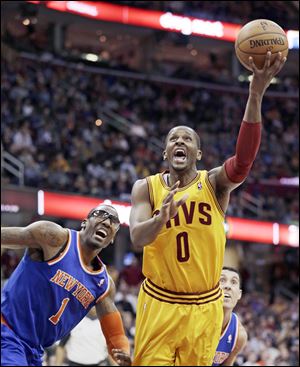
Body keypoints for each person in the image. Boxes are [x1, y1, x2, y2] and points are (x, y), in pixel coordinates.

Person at [129, 51, 286, 366]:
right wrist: (161, 218)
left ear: (197, 153)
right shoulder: (145, 188)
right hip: (159, 302)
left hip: (204, 306)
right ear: (165, 152)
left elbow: (243, 163)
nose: (180, 141)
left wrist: (255, 94)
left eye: (187, 138)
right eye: (174, 138)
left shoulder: (213, 183)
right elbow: (136, 238)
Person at [1, 204, 131, 367]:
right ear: (84, 222)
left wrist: (123, 352)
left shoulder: (104, 285)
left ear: (112, 238)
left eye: (113, 221)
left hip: (34, 350)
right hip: (7, 330)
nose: (106, 222)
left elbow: (116, 337)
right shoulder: (54, 238)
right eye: (101, 214)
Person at [213, 267, 248, 366]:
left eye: (233, 282)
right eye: (222, 280)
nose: (228, 286)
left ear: (239, 294)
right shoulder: (194, 320)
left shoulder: (239, 335)